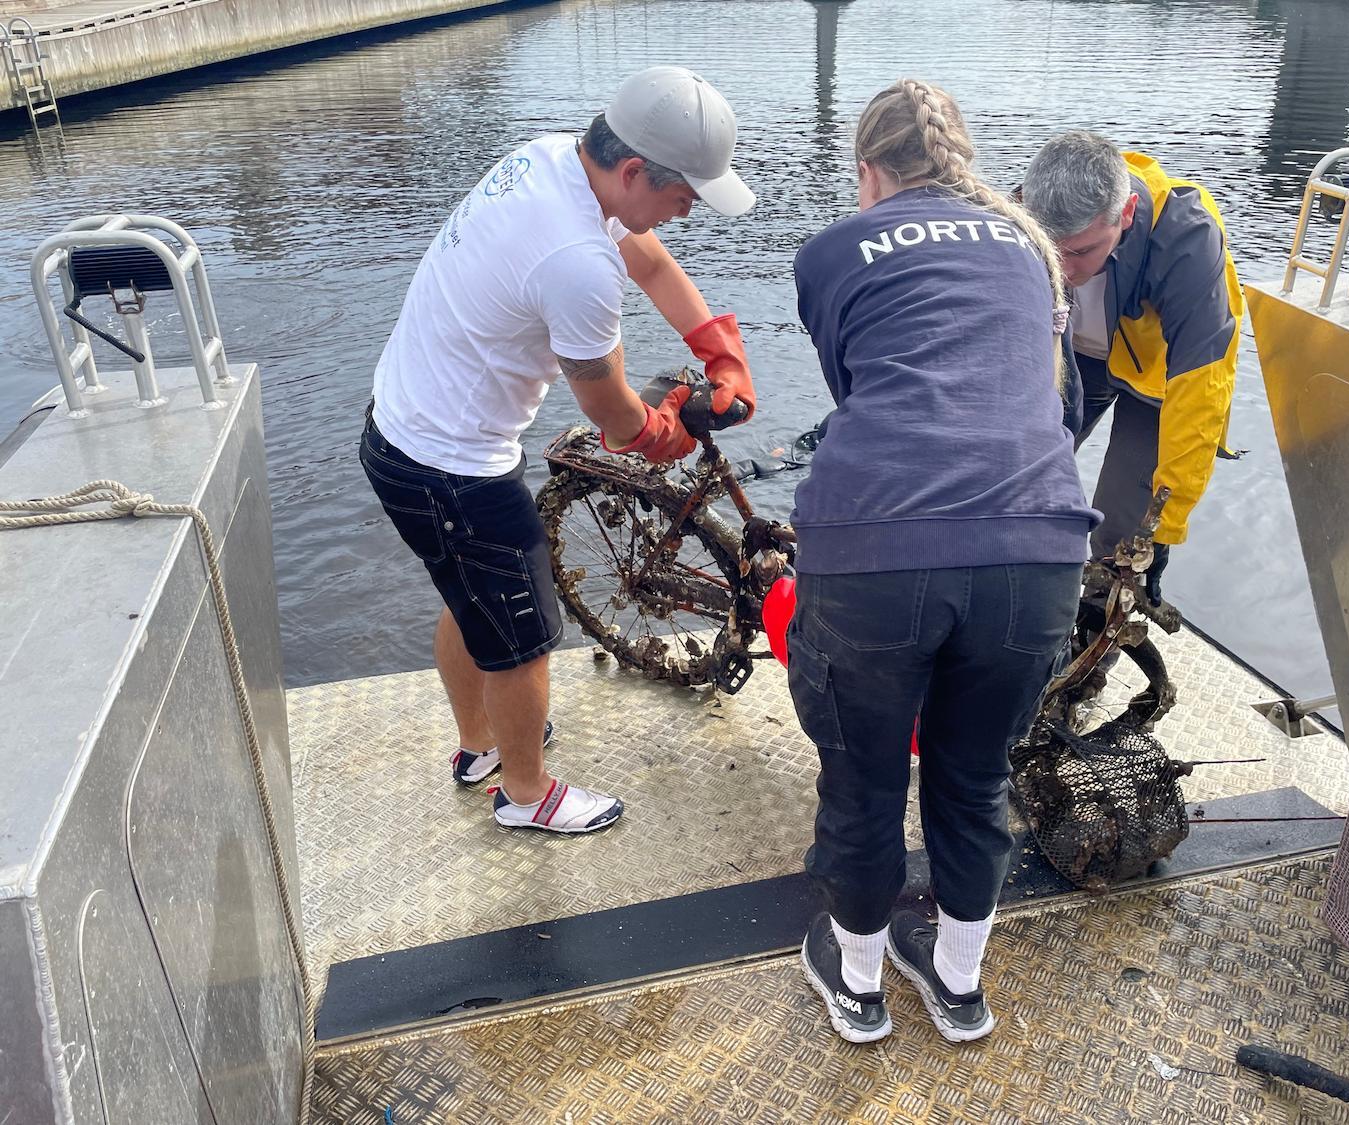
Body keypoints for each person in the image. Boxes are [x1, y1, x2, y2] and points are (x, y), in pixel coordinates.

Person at [361, 66, 756, 835]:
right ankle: (525, 794)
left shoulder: (549, 159)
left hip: (401, 430)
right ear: (634, 170)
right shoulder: (577, 263)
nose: (688, 211)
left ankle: (481, 745)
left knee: (471, 598)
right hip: (452, 466)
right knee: (523, 635)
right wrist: (666, 433)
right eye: (685, 195)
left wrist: (717, 346)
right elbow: (611, 414)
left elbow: (647, 258)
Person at [789, 79, 1098, 1044]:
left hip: (877, 550)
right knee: (974, 778)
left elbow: (858, 384)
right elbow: (1060, 405)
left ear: (868, 171)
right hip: (1034, 549)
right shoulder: (1033, 250)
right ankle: (959, 985)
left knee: (865, 779)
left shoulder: (831, 251)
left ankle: (859, 984)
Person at [1022, 131, 1243, 604]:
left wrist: (1164, 525)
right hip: (1073, 356)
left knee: (1125, 534)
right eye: (1049, 250)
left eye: (1081, 251)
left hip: (1157, 378)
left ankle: (1095, 636)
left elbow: (1203, 387)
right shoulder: (1014, 218)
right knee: (1017, 479)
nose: (1063, 271)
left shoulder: (1187, 239)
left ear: (1125, 214)